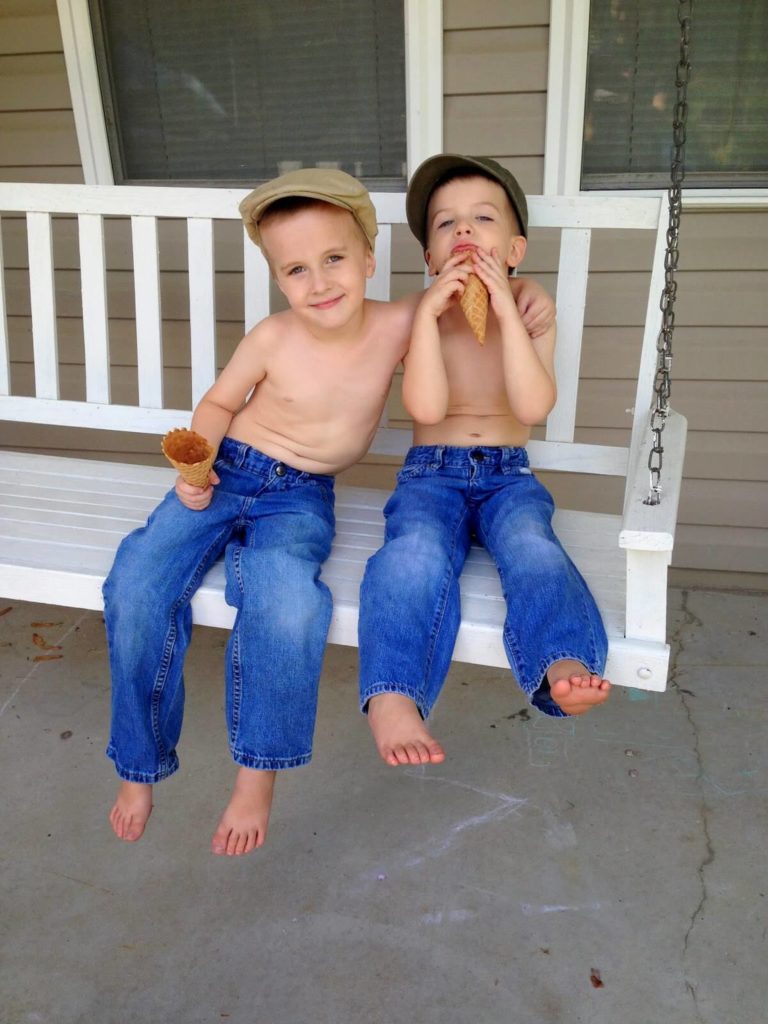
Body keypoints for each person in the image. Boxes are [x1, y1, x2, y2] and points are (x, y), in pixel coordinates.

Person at [104, 166, 555, 854]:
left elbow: (472, 290)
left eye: (335, 259)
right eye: (296, 270)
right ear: (279, 280)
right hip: (227, 472)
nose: (319, 283)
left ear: (370, 261)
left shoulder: (407, 319)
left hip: (300, 497)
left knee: (288, 604)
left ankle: (257, 775)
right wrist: (193, 467)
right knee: (136, 583)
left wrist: (525, 295)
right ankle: (138, 767)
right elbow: (222, 403)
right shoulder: (271, 338)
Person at [358, 154, 611, 768]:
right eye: (445, 224)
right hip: (430, 475)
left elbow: (534, 403)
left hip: (508, 474)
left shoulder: (528, 309)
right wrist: (425, 321)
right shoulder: (422, 313)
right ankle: (393, 694)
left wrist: (507, 311)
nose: (463, 231)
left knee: (532, 545)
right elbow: (424, 404)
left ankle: (562, 661)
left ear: (515, 248)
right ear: (429, 257)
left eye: (482, 218)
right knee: (410, 552)